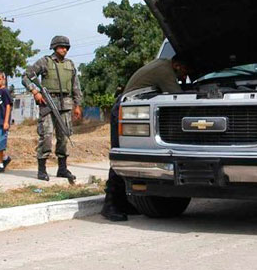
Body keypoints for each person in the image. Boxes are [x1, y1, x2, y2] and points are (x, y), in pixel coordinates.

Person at [101, 56, 190, 221]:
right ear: (177, 65)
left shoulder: (162, 64)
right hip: (127, 110)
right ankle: (110, 205)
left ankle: (123, 204)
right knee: (122, 157)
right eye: (184, 72)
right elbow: (178, 97)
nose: (184, 77)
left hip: (129, 107)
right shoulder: (165, 71)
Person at [22, 35, 83, 182]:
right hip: (48, 104)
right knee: (47, 137)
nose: (65, 50)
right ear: (55, 47)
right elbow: (26, 76)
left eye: (66, 47)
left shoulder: (70, 64)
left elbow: (76, 86)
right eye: (62, 47)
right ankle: (42, 170)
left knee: (63, 138)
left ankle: (62, 169)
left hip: (66, 104)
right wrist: (35, 91)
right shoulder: (45, 61)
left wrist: (78, 105)